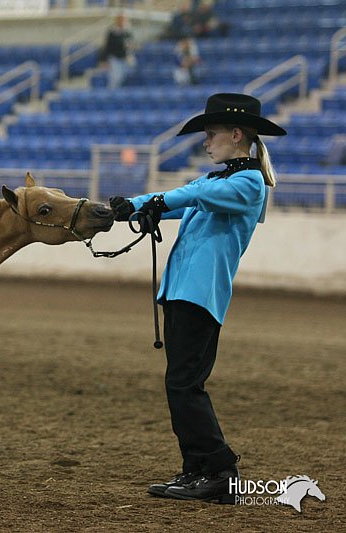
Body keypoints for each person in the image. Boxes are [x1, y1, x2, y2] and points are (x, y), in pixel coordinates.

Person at [108, 93, 287, 503]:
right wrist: (123, 210)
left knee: (185, 384)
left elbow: (186, 197)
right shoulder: (216, 181)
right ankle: (197, 469)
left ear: (236, 135)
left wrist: (153, 202)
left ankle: (218, 468)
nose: (206, 142)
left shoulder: (248, 182)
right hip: (183, 292)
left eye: (211, 135)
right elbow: (178, 201)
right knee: (182, 383)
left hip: (199, 294)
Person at [98, 13, 135, 89]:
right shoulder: (112, 32)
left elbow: (131, 45)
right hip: (114, 59)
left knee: (125, 78)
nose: (122, 21)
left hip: (125, 59)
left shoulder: (128, 32)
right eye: (121, 19)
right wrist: (104, 60)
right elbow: (107, 47)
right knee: (115, 79)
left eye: (124, 20)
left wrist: (130, 52)